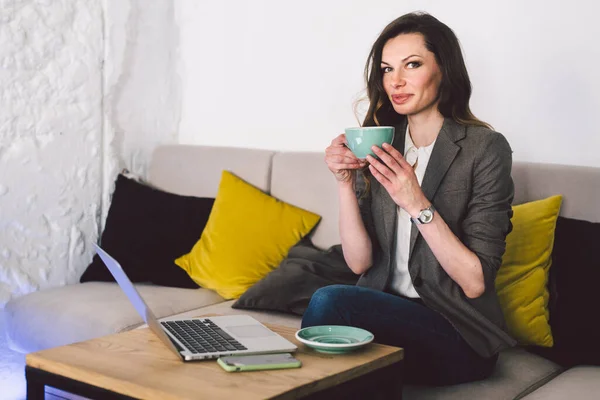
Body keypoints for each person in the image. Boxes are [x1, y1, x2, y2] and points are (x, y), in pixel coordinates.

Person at [302, 12, 517, 386]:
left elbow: (475, 282)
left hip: (454, 331)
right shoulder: (382, 143)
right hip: (385, 318)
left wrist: (415, 202)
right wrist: (344, 183)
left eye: (411, 65)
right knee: (353, 361)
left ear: (444, 70)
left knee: (329, 302)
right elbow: (359, 263)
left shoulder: (485, 148)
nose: (395, 81)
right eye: (386, 69)